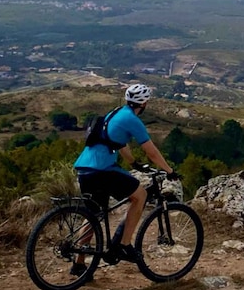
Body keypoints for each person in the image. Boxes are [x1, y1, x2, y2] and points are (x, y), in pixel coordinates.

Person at [70, 83, 178, 277]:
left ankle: (79, 264)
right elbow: (151, 151)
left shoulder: (116, 113)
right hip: (102, 170)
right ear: (144, 103)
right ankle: (124, 244)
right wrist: (169, 171)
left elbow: (118, 144)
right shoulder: (132, 120)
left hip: (84, 168)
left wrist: (134, 164)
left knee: (93, 215)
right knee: (140, 195)